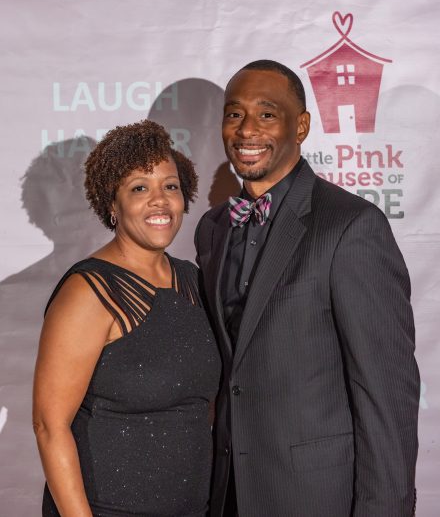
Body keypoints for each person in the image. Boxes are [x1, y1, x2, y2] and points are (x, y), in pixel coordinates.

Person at [195, 60, 419, 517]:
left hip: (316, 497)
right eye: (234, 114)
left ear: (301, 127)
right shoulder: (213, 228)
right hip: (227, 495)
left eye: (266, 114)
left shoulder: (349, 226)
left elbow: (385, 391)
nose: (246, 130)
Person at [33, 120, 221, 517]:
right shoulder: (89, 291)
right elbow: (50, 427)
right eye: (140, 188)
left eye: (170, 186)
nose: (160, 201)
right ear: (112, 206)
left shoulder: (194, 281)